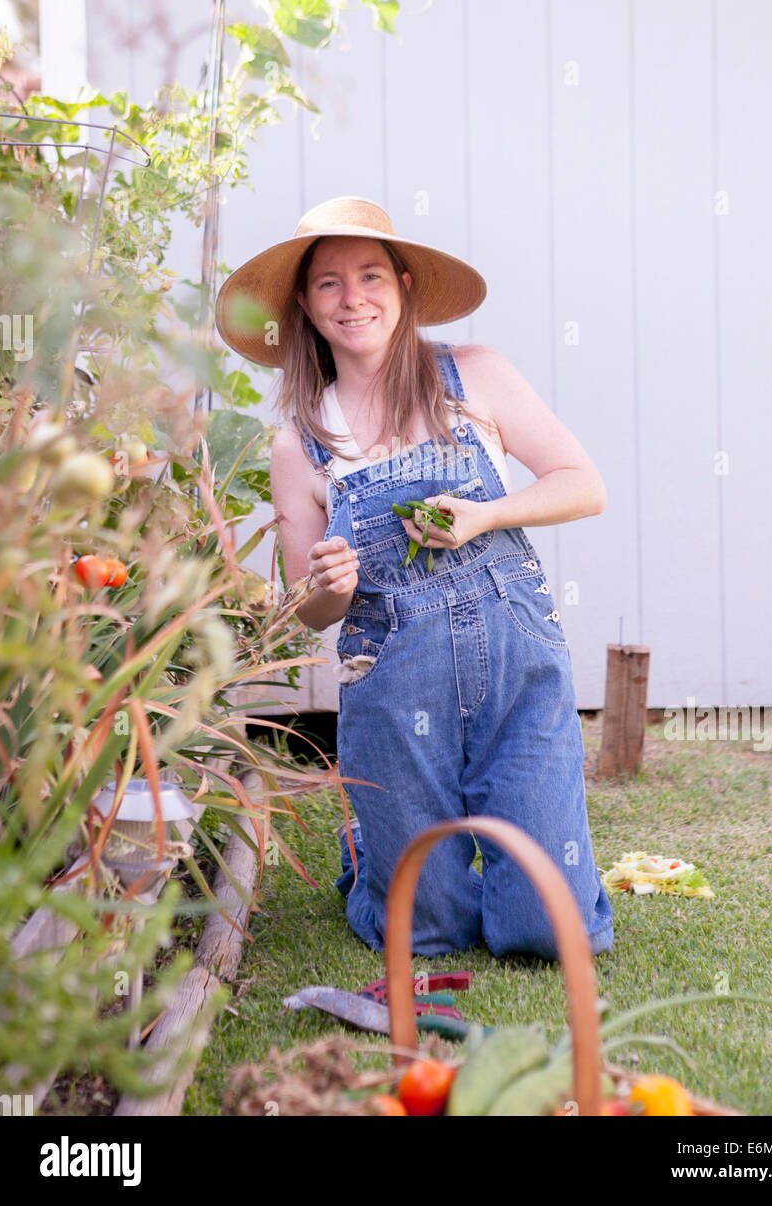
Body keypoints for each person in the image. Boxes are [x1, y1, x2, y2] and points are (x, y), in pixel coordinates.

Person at [215, 196, 614, 961]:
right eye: (328, 283)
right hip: (394, 676)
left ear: (402, 286)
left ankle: (444, 848)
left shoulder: (475, 377)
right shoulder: (300, 443)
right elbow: (311, 611)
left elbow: (582, 483)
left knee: (547, 933)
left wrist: (480, 516)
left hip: (514, 657)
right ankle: (371, 849)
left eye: (369, 275)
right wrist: (329, 578)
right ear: (303, 304)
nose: (352, 297)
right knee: (425, 931)